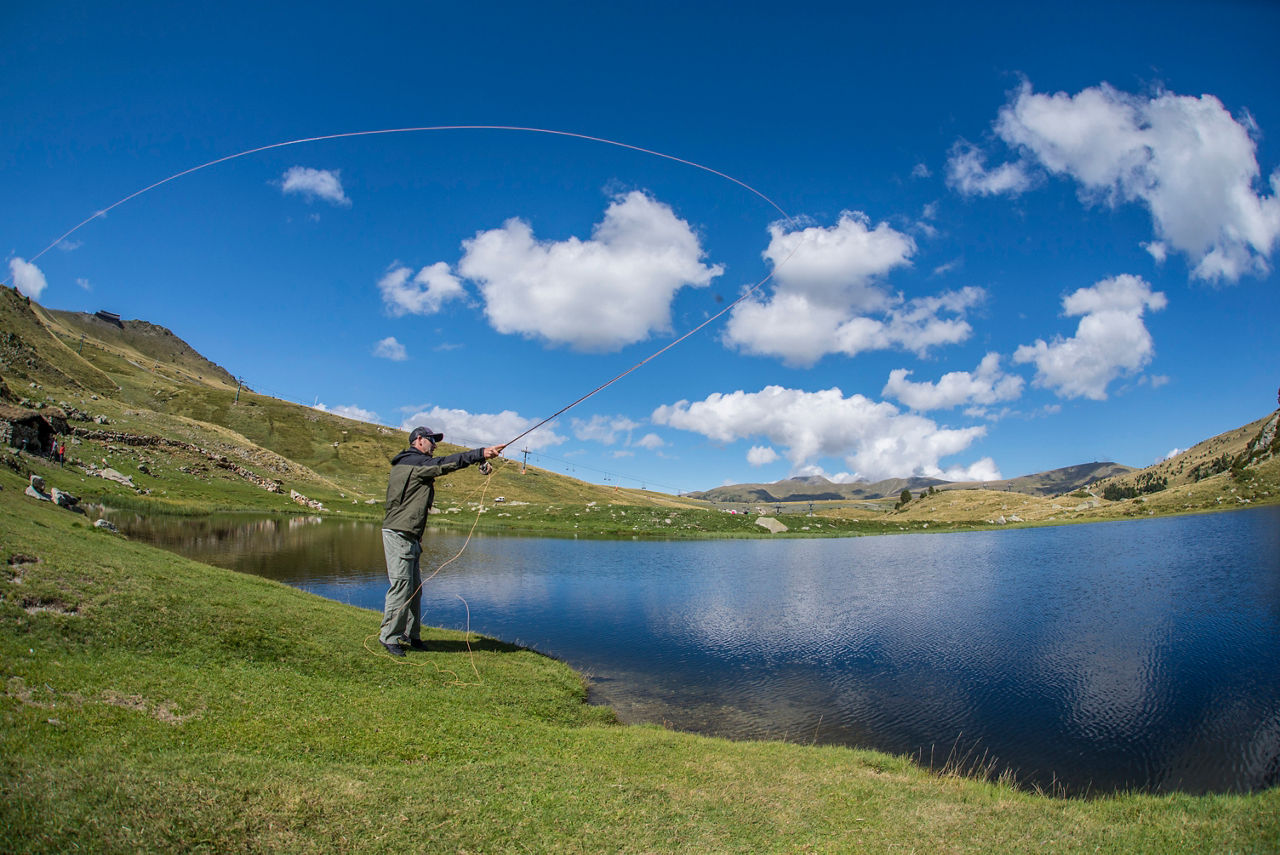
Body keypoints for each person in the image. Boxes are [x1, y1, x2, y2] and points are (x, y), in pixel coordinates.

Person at [378, 426, 506, 656]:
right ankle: (389, 637)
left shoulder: (410, 462)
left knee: (414, 589)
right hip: (399, 533)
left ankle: (411, 635)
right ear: (419, 440)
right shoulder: (413, 462)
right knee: (402, 586)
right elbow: (444, 464)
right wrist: (480, 453)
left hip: (409, 534)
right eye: (431, 440)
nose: (435, 444)